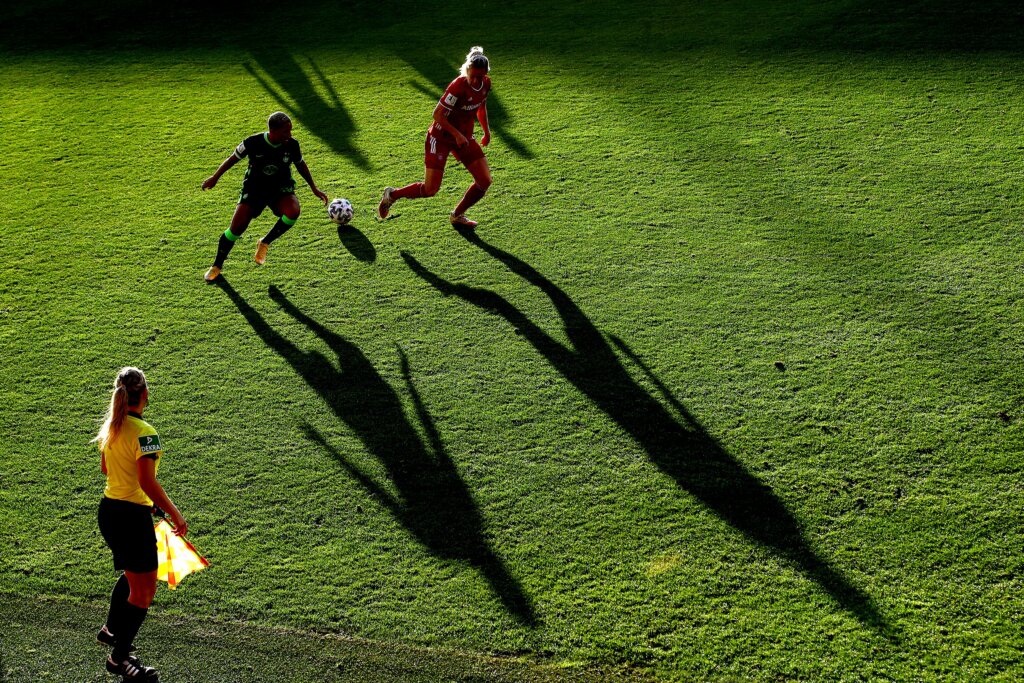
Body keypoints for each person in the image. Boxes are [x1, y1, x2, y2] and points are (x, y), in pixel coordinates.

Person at [94, 367, 187, 681]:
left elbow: (107, 469)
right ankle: (119, 659)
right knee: (144, 591)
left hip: (110, 512)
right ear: (145, 394)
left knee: (134, 577)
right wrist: (174, 514)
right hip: (131, 517)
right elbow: (147, 481)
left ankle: (110, 629)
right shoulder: (145, 432)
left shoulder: (112, 426)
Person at [201, 112, 329, 281]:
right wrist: (215, 177)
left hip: (280, 188)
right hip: (254, 189)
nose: (289, 135)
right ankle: (217, 265)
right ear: (273, 131)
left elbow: (300, 165)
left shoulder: (292, 144)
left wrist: (314, 187)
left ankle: (265, 242)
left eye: (290, 131)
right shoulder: (252, 142)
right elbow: (232, 159)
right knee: (236, 229)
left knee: (293, 211)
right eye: (286, 131)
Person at [378, 46, 493, 229]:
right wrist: (456, 135)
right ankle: (392, 195)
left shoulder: (485, 84)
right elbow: (438, 115)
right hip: (440, 138)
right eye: (473, 75)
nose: (476, 80)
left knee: (485, 181)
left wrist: (486, 131)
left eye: (480, 76)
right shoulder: (457, 87)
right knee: (430, 189)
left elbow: (481, 107)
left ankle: (457, 215)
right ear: (467, 69)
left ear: (486, 73)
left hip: (463, 138)